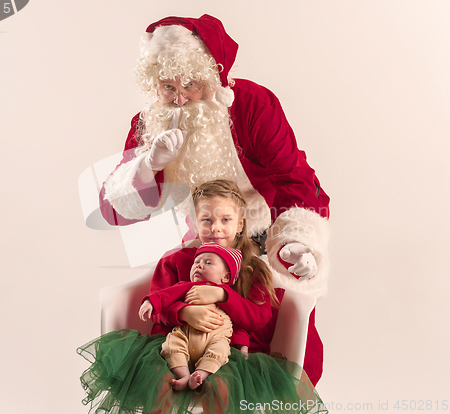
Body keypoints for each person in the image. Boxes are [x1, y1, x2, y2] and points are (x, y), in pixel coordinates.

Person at [99, 14, 330, 385]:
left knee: (281, 358)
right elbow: (113, 209)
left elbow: (298, 181)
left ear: (213, 75)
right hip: (198, 247)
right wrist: (147, 165)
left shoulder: (252, 105)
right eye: (167, 87)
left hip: (260, 244)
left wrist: (293, 242)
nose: (180, 98)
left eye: (192, 84)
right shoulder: (150, 122)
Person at [78, 180, 328, 414]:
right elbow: (159, 303)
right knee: (160, 381)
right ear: (195, 223)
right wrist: (184, 312)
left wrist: (223, 294)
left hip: (227, 352)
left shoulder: (253, 269)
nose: (215, 228)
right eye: (206, 220)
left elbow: (258, 318)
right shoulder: (177, 260)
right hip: (173, 344)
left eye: (225, 219)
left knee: (223, 387)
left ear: (240, 224)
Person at [139, 242, 245, 390]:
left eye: (208, 263)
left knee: (221, 350)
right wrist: (151, 302)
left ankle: (201, 374)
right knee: (172, 344)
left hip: (214, 338)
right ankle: (183, 375)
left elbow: (239, 321)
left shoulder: (227, 296)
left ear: (226, 277)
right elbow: (166, 295)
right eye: (196, 262)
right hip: (185, 334)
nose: (199, 265)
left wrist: (243, 344)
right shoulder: (187, 286)